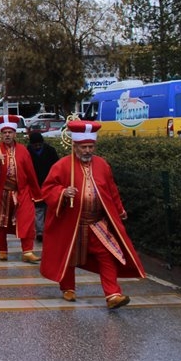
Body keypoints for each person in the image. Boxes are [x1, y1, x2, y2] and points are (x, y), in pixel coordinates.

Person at [40, 121, 145, 309]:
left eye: (91, 146)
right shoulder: (62, 166)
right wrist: (63, 193)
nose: (88, 150)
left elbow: (112, 190)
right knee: (69, 255)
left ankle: (113, 294)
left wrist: (119, 210)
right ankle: (68, 287)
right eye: (84, 147)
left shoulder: (102, 165)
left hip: (97, 222)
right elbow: (47, 189)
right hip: (71, 223)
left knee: (107, 254)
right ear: (75, 146)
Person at [0, 115, 42, 262]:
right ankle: (2, 250)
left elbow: (30, 172)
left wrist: (35, 192)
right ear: (1, 134)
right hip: (0, 193)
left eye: (10, 132)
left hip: (21, 192)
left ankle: (27, 251)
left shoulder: (22, 150)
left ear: (15, 134)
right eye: (5, 132)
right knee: (1, 222)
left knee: (26, 220)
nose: (7, 135)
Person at [28, 131, 59, 241]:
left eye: (39, 144)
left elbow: (57, 167)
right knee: (38, 209)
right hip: (34, 184)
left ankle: (49, 230)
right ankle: (40, 231)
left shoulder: (50, 151)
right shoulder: (27, 152)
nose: (37, 146)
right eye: (35, 145)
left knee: (49, 208)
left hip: (49, 183)